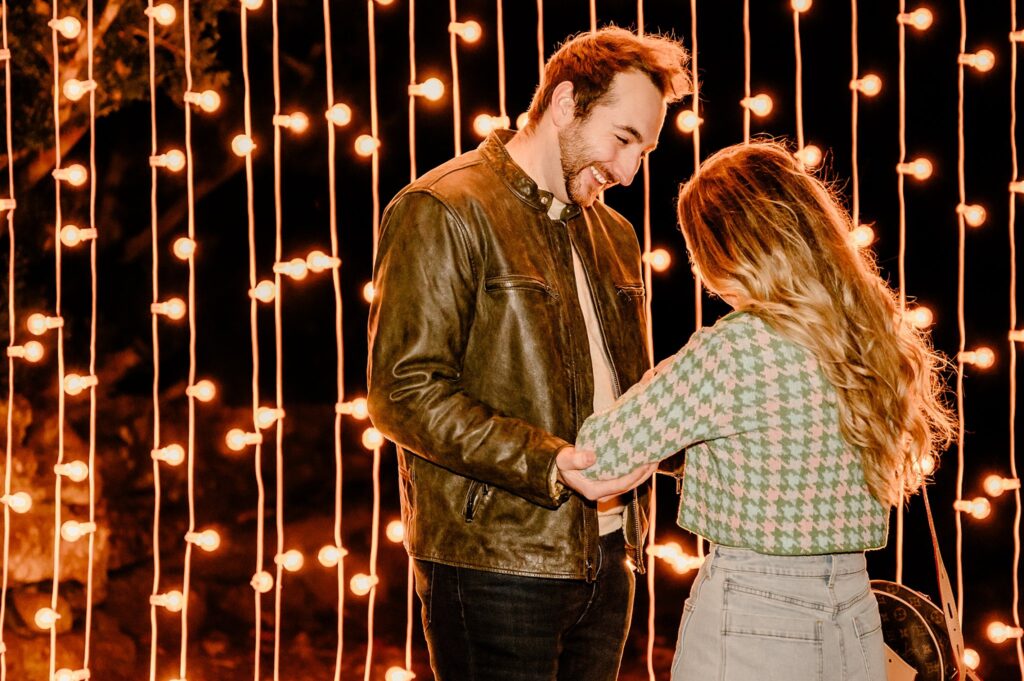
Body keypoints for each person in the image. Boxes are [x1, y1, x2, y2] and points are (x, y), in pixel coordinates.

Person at [366, 27, 690, 681]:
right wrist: (552, 462)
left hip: (611, 558)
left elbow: (628, 390)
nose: (629, 172)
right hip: (494, 564)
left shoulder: (617, 234)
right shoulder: (444, 208)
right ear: (566, 101)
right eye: (623, 139)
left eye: (644, 150)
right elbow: (403, 392)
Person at [576, 140, 955, 680]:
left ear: (726, 251)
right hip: (857, 611)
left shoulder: (736, 348)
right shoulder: (873, 336)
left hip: (754, 609)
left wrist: (659, 385)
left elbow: (599, 454)